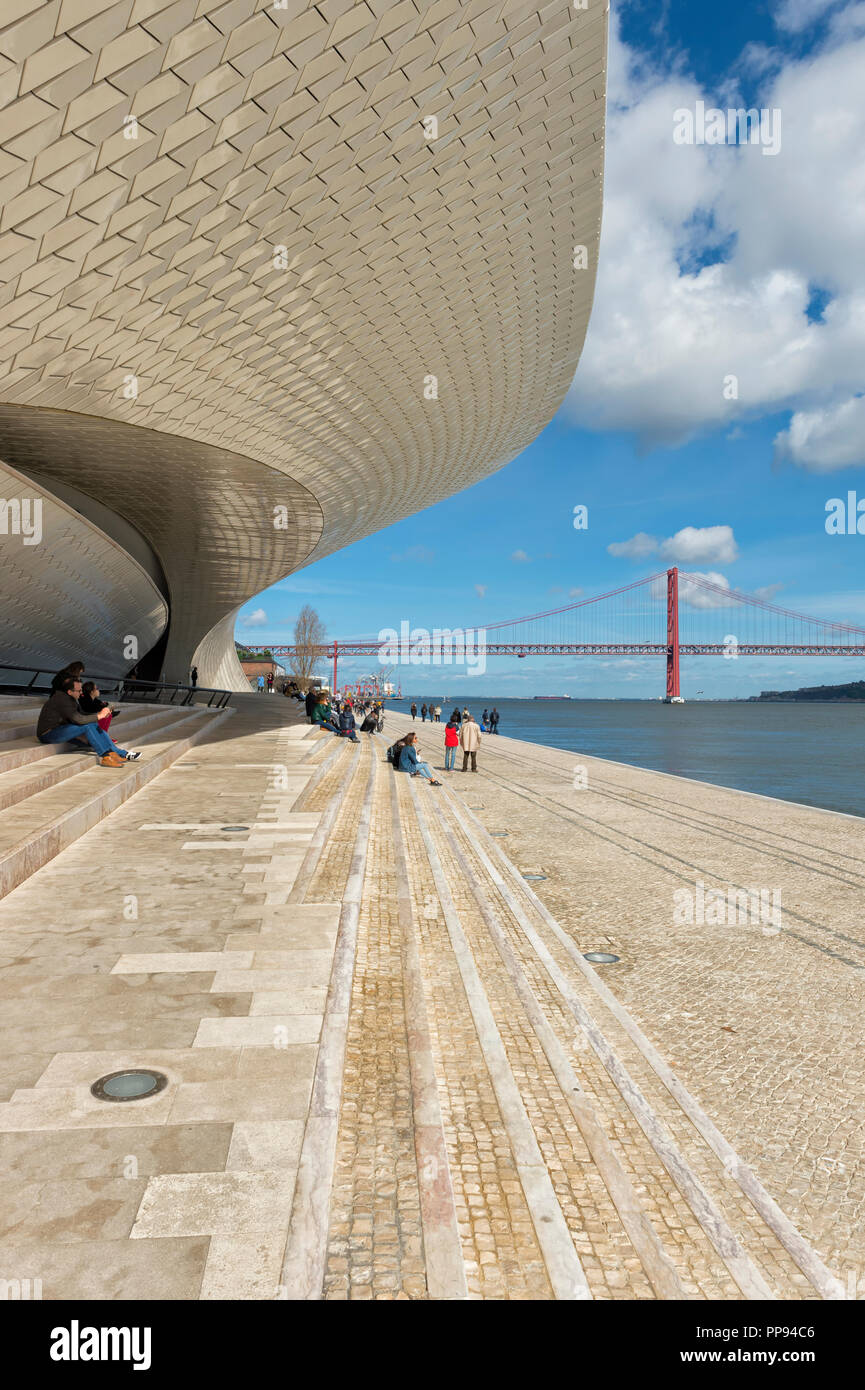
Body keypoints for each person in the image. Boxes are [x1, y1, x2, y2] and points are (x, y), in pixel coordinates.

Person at [36, 676, 140, 766]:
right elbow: (79, 719)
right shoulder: (62, 700)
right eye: (79, 691)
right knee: (87, 726)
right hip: (49, 733)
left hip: (63, 729)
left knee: (93, 725)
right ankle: (106, 757)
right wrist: (100, 715)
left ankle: (120, 753)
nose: (81, 693)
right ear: (69, 691)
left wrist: (100, 714)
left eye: (81, 690)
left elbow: (81, 715)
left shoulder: (70, 698)